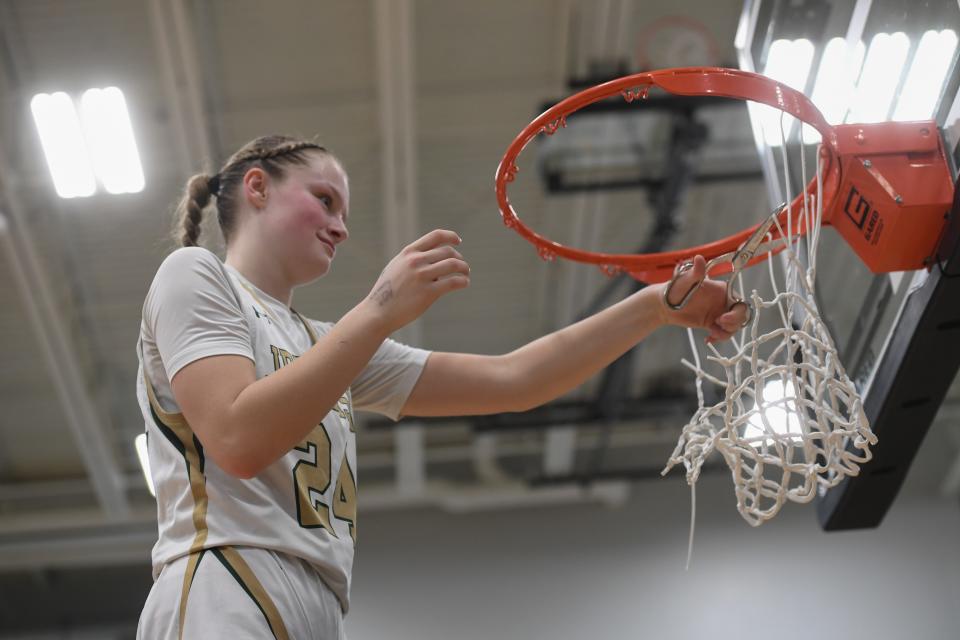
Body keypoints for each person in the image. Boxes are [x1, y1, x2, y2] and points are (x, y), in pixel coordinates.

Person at [135, 135, 746, 639]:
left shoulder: (328, 343)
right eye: (324, 200)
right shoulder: (194, 274)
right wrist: (378, 310)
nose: (340, 227)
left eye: (344, 212)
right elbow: (238, 439)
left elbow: (516, 379)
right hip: (224, 578)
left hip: (321, 605)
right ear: (258, 187)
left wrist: (652, 309)